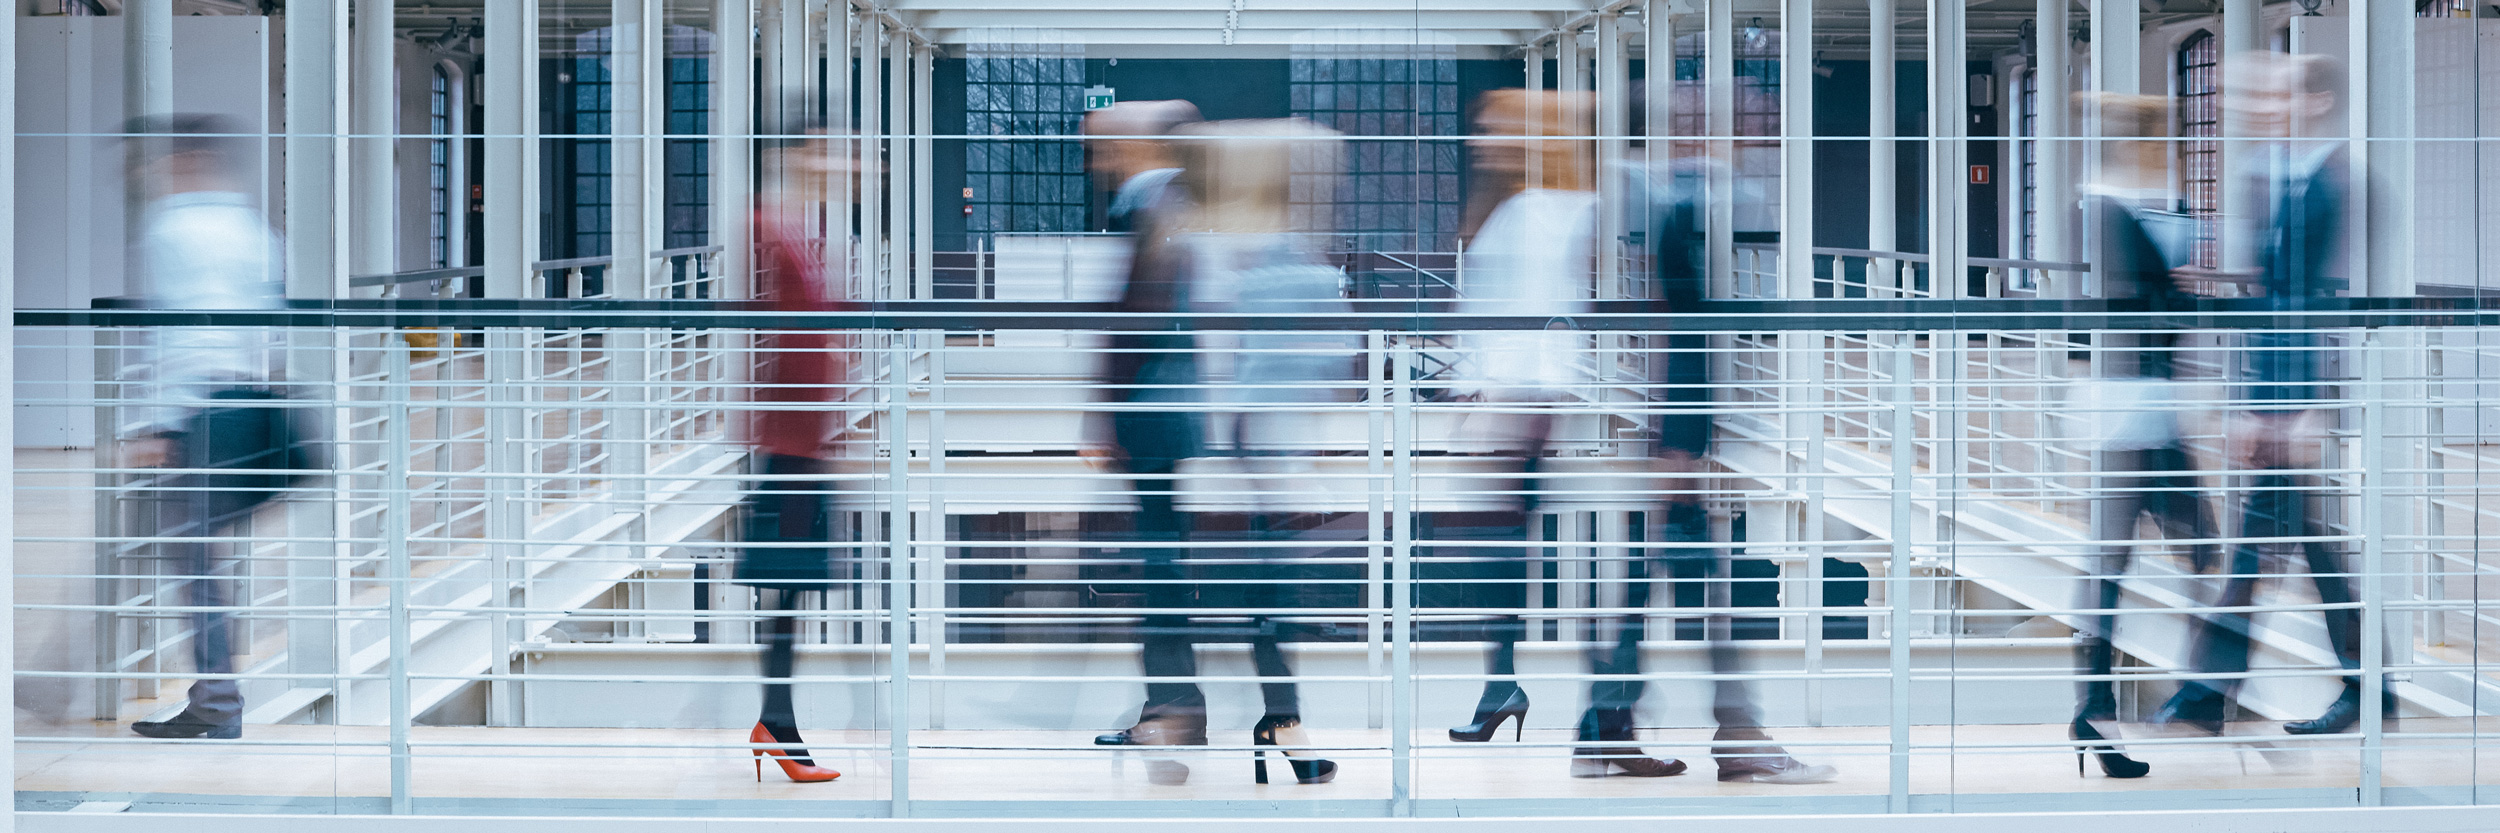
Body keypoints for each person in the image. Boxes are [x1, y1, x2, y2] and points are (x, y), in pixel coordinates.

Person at [1433, 89, 1687, 777]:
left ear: (1529, 136)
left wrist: (1505, 399)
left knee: (1555, 570)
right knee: (1527, 568)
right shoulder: (1529, 205)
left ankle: (1581, 715)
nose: (1479, 140)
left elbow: (1543, 317)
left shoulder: (1540, 209)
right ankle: (1558, 708)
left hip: (1529, 412)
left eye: (1492, 129)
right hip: (1523, 409)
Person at [2152, 51, 2385, 739]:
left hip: (2298, 398)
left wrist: (2307, 405)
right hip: (2278, 394)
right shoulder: (2280, 179)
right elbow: (2274, 296)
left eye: (2277, 96)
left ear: (2314, 102)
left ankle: (2208, 693)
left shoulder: (2337, 185)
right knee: (2301, 544)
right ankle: (2365, 686)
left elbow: (2327, 307)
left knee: (2272, 546)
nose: (2261, 108)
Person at [1171, 118, 1353, 786]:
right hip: (1257, 447)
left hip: (1255, 446)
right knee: (1270, 593)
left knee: (1268, 594)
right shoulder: (1270, 255)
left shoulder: (1245, 252)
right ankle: (1278, 723)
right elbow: (1327, 357)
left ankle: (1276, 721)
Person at [119, 114, 295, 741]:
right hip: (250, 407)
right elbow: (270, 326)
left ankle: (218, 704)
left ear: (184, 160)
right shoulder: (253, 229)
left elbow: (177, 334)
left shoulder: (172, 228)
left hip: (200, 415)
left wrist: (157, 425)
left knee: (194, 558)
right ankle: (217, 699)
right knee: (202, 556)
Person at [2066, 92, 2216, 779]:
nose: (2169, 151)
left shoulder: (2109, 207)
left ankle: (2123, 704)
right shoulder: (2108, 210)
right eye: (2160, 138)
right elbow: (2140, 304)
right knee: (2139, 559)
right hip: (2135, 410)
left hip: (2138, 407)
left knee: (2133, 558)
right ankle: (2181, 694)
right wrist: (2186, 291)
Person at [1080, 100, 1215, 786]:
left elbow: (1136, 321)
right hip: (1171, 410)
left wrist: (1103, 415)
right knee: (1160, 560)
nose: (1096, 160)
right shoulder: (1175, 199)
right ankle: (1172, 702)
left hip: (1151, 413)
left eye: (1103, 146)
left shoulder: (1153, 204)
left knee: (1158, 564)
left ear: (1134, 145)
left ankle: (1173, 706)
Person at [732, 118, 855, 783]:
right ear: (796, 157)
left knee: (792, 591)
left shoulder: (794, 229)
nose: (841, 163)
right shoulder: (769, 228)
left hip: (805, 439)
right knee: (786, 588)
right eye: (828, 151)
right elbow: (784, 340)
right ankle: (777, 725)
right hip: (791, 441)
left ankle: (777, 721)